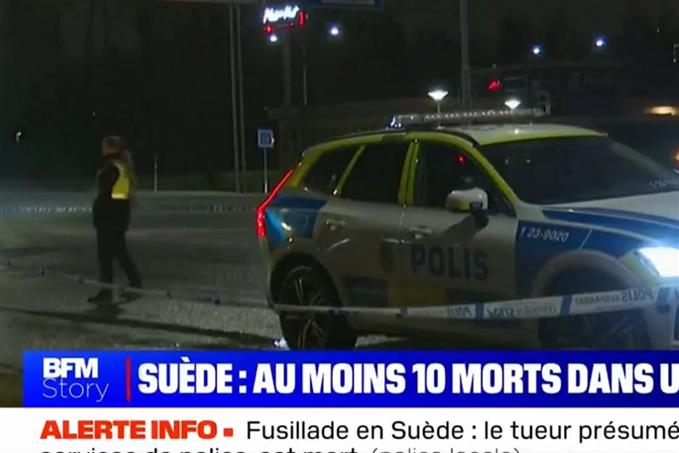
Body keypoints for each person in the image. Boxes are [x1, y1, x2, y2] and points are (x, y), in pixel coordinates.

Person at [88, 136, 143, 304]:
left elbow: (105, 195)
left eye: (104, 146)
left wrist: (98, 212)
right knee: (120, 253)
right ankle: (135, 284)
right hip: (119, 216)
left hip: (109, 217)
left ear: (110, 148)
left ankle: (107, 292)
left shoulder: (111, 168)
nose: (101, 148)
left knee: (105, 257)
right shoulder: (120, 166)